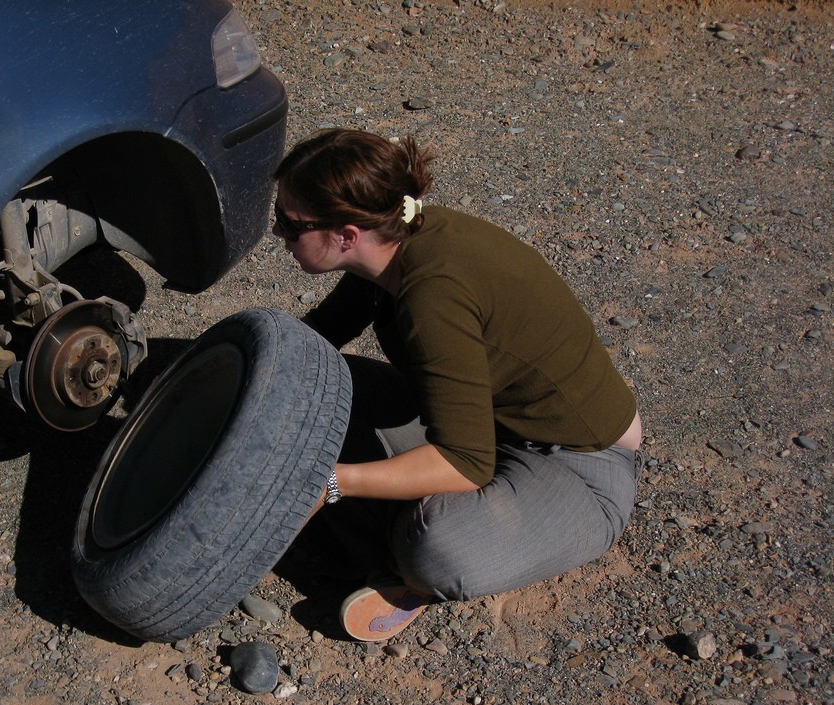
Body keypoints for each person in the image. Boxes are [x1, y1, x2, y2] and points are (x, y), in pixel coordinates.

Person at [271, 128, 642, 642]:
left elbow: (465, 464)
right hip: (486, 426)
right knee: (316, 382)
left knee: (435, 550)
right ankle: (386, 523)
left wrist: (333, 483)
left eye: (289, 224)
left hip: (578, 464)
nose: (279, 235)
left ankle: (404, 555)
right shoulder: (392, 243)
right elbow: (315, 341)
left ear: (346, 234)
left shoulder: (434, 292)